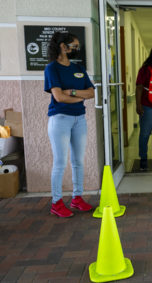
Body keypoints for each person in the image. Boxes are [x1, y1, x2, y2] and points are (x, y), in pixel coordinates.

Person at [44, 31, 95, 217]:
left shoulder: (79, 68)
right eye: (73, 46)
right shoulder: (52, 69)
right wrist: (78, 96)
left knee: (78, 161)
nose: (76, 49)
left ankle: (77, 198)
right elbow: (58, 97)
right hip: (60, 119)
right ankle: (56, 202)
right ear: (62, 47)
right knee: (59, 162)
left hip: (79, 119)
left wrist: (72, 92)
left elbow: (91, 93)